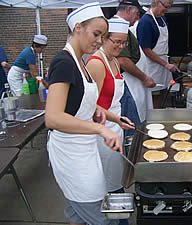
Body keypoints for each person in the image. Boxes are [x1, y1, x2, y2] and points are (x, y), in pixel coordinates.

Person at [45, 3, 121, 225]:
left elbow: (81, 101)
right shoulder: (63, 62)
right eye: (96, 34)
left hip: (85, 149)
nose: (99, 41)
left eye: (102, 35)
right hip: (71, 153)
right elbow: (53, 117)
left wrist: (106, 115)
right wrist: (100, 128)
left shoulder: (81, 63)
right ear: (78, 27)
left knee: (78, 214)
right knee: (101, 218)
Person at [86, 17, 134, 194]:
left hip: (116, 126)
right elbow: (91, 107)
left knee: (115, 175)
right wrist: (115, 119)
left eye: (124, 42)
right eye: (117, 42)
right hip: (102, 131)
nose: (121, 47)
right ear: (104, 38)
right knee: (108, 180)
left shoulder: (114, 60)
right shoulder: (96, 64)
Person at [115, 0, 156, 131]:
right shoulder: (118, 27)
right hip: (127, 82)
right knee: (131, 123)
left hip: (132, 82)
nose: (138, 18)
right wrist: (144, 78)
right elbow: (123, 61)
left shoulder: (124, 27)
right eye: (137, 14)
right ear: (128, 10)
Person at [137, 0, 179, 108]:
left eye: (168, 7)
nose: (166, 10)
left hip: (163, 62)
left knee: (163, 91)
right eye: (165, 6)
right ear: (156, 2)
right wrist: (165, 64)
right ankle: (153, 118)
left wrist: (167, 62)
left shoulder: (162, 18)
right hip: (151, 65)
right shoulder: (146, 22)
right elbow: (146, 49)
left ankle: (160, 112)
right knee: (153, 94)